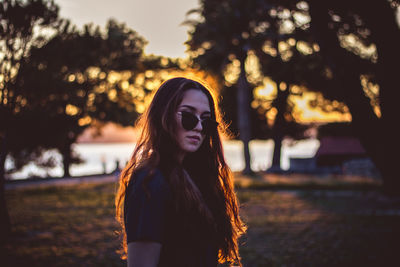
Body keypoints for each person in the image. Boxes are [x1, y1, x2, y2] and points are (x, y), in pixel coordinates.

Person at [115, 77, 246, 266]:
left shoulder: (198, 178)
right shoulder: (150, 181)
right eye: (188, 116)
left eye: (206, 121)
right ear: (163, 116)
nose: (200, 127)